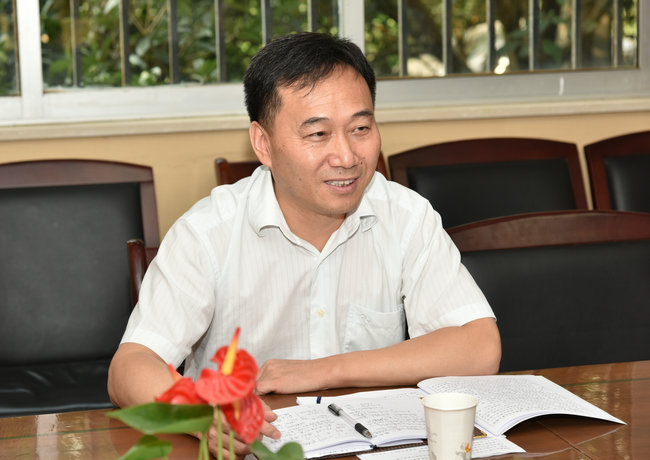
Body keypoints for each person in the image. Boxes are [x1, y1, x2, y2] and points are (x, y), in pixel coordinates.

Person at [108, 32, 501, 459]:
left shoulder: (406, 216)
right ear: (263, 144)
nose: (346, 157)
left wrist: (324, 371)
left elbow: (479, 347)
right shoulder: (207, 232)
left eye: (360, 128)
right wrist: (201, 416)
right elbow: (131, 367)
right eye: (317, 134)